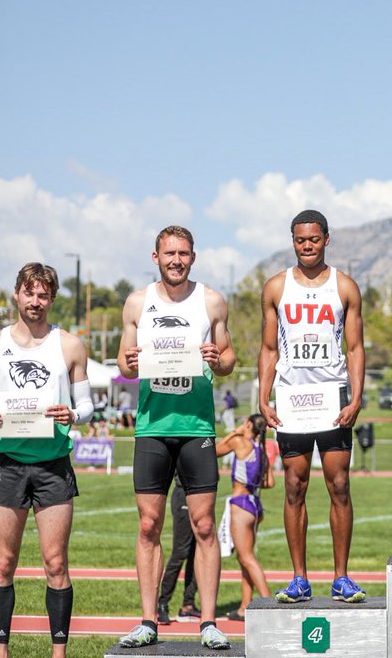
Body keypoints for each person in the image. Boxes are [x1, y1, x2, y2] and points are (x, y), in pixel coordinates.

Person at [116, 226, 235, 650]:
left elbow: (229, 358)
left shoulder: (211, 300)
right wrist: (128, 363)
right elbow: (125, 364)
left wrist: (218, 360)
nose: (176, 260)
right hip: (151, 428)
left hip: (197, 428)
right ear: (156, 257)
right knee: (149, 525)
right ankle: (148, 619)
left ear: (193, 257)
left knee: (203, 526)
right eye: (169, 253)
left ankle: (207, 622)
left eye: (183, 253)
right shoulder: (137, 302)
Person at [259, 210, 366, 603]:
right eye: (300, 239)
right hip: (292, 400)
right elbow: (269, 348)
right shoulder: (275, 287)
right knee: (293, 486)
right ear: (293, 240)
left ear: (326, 239)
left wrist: (356, 397)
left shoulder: (345, 287)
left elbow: (354, 348)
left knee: (339, 485)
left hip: (333, 397)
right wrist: (263, 397)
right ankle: (299, 578)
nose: (307, 245)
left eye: (314, 239)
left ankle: (341, 577)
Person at [0, 263, 93, 658]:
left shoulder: (70, 345)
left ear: (51, 299)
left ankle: (59, 654)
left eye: (43, 295)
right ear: (16, 295)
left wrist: (72, 415)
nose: (35, 301)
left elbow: (87, 405)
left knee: (56, 563)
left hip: (53, 465)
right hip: (7, 463)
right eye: (29, 293)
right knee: (3, 564)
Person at [215, 414, 273, 620]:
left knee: (247, 558)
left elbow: (214, 451)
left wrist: (234, 431)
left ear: (248, 425)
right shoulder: (262, 451)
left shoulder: (240, 442)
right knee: (244, 558)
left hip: (240, 505)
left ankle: (268, 604)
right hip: (255, 505)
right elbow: (269, 483)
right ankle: (244, 607)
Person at [156, 475, 198, 625]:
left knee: (196, 552)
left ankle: (188, 604)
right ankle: (162, 603)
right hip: (184, 493)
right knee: (181, 552)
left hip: (199, 494)